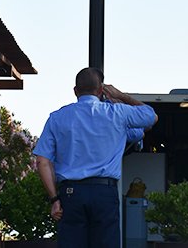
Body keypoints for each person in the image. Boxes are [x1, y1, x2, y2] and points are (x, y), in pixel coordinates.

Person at [33, 67, 158, 248]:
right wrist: (121, 96)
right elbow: (150, 117)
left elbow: (42, 161)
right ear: (101, 90)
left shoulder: (57, 118)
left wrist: (54, 200)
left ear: (75, 91)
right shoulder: (118, 113)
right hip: (104, 193)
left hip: (71, 194)